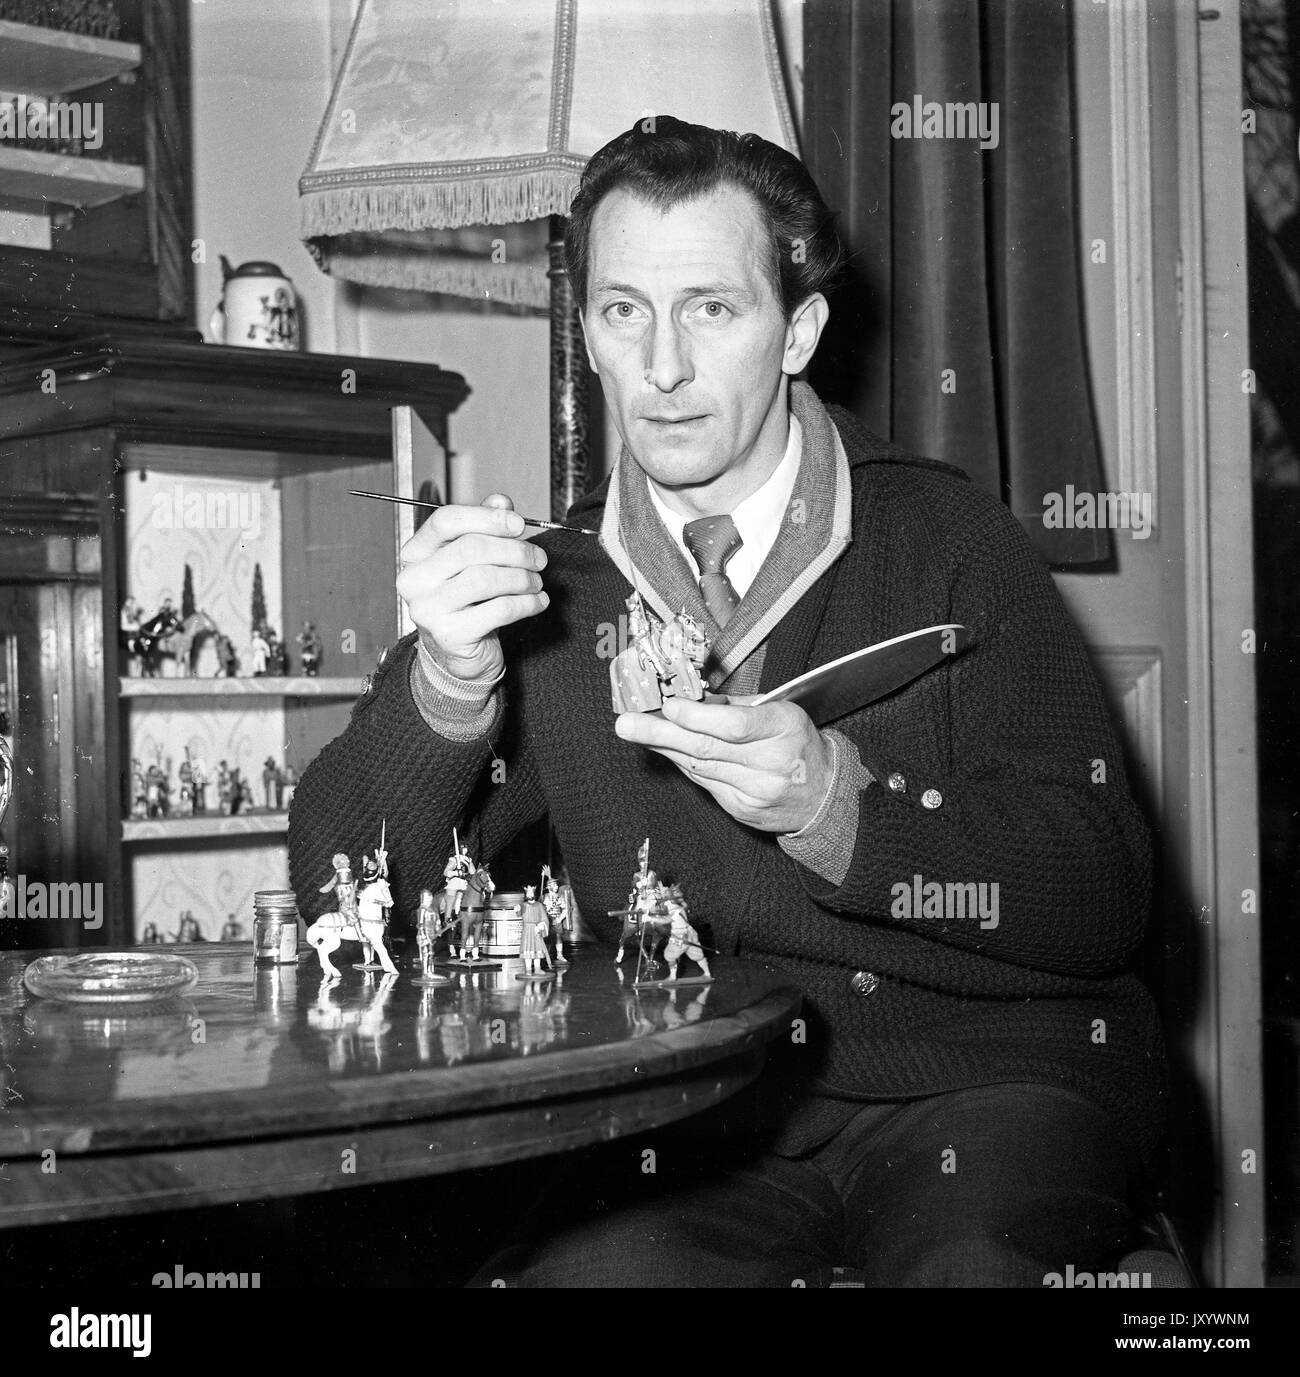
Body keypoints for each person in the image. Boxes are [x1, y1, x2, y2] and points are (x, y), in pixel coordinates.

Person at [289, 117, 1164, 1287]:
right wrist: (448, 680)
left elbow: (1100, 897)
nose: (660, 369)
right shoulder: (547, 589)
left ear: (797, 330)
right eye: (621, 312)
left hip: (984, 1076)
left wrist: (838, 810)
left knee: (972, 1266)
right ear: (588, 335)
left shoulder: (952, 541)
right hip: (700, 1106)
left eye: (710, 308)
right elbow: (340, 897)